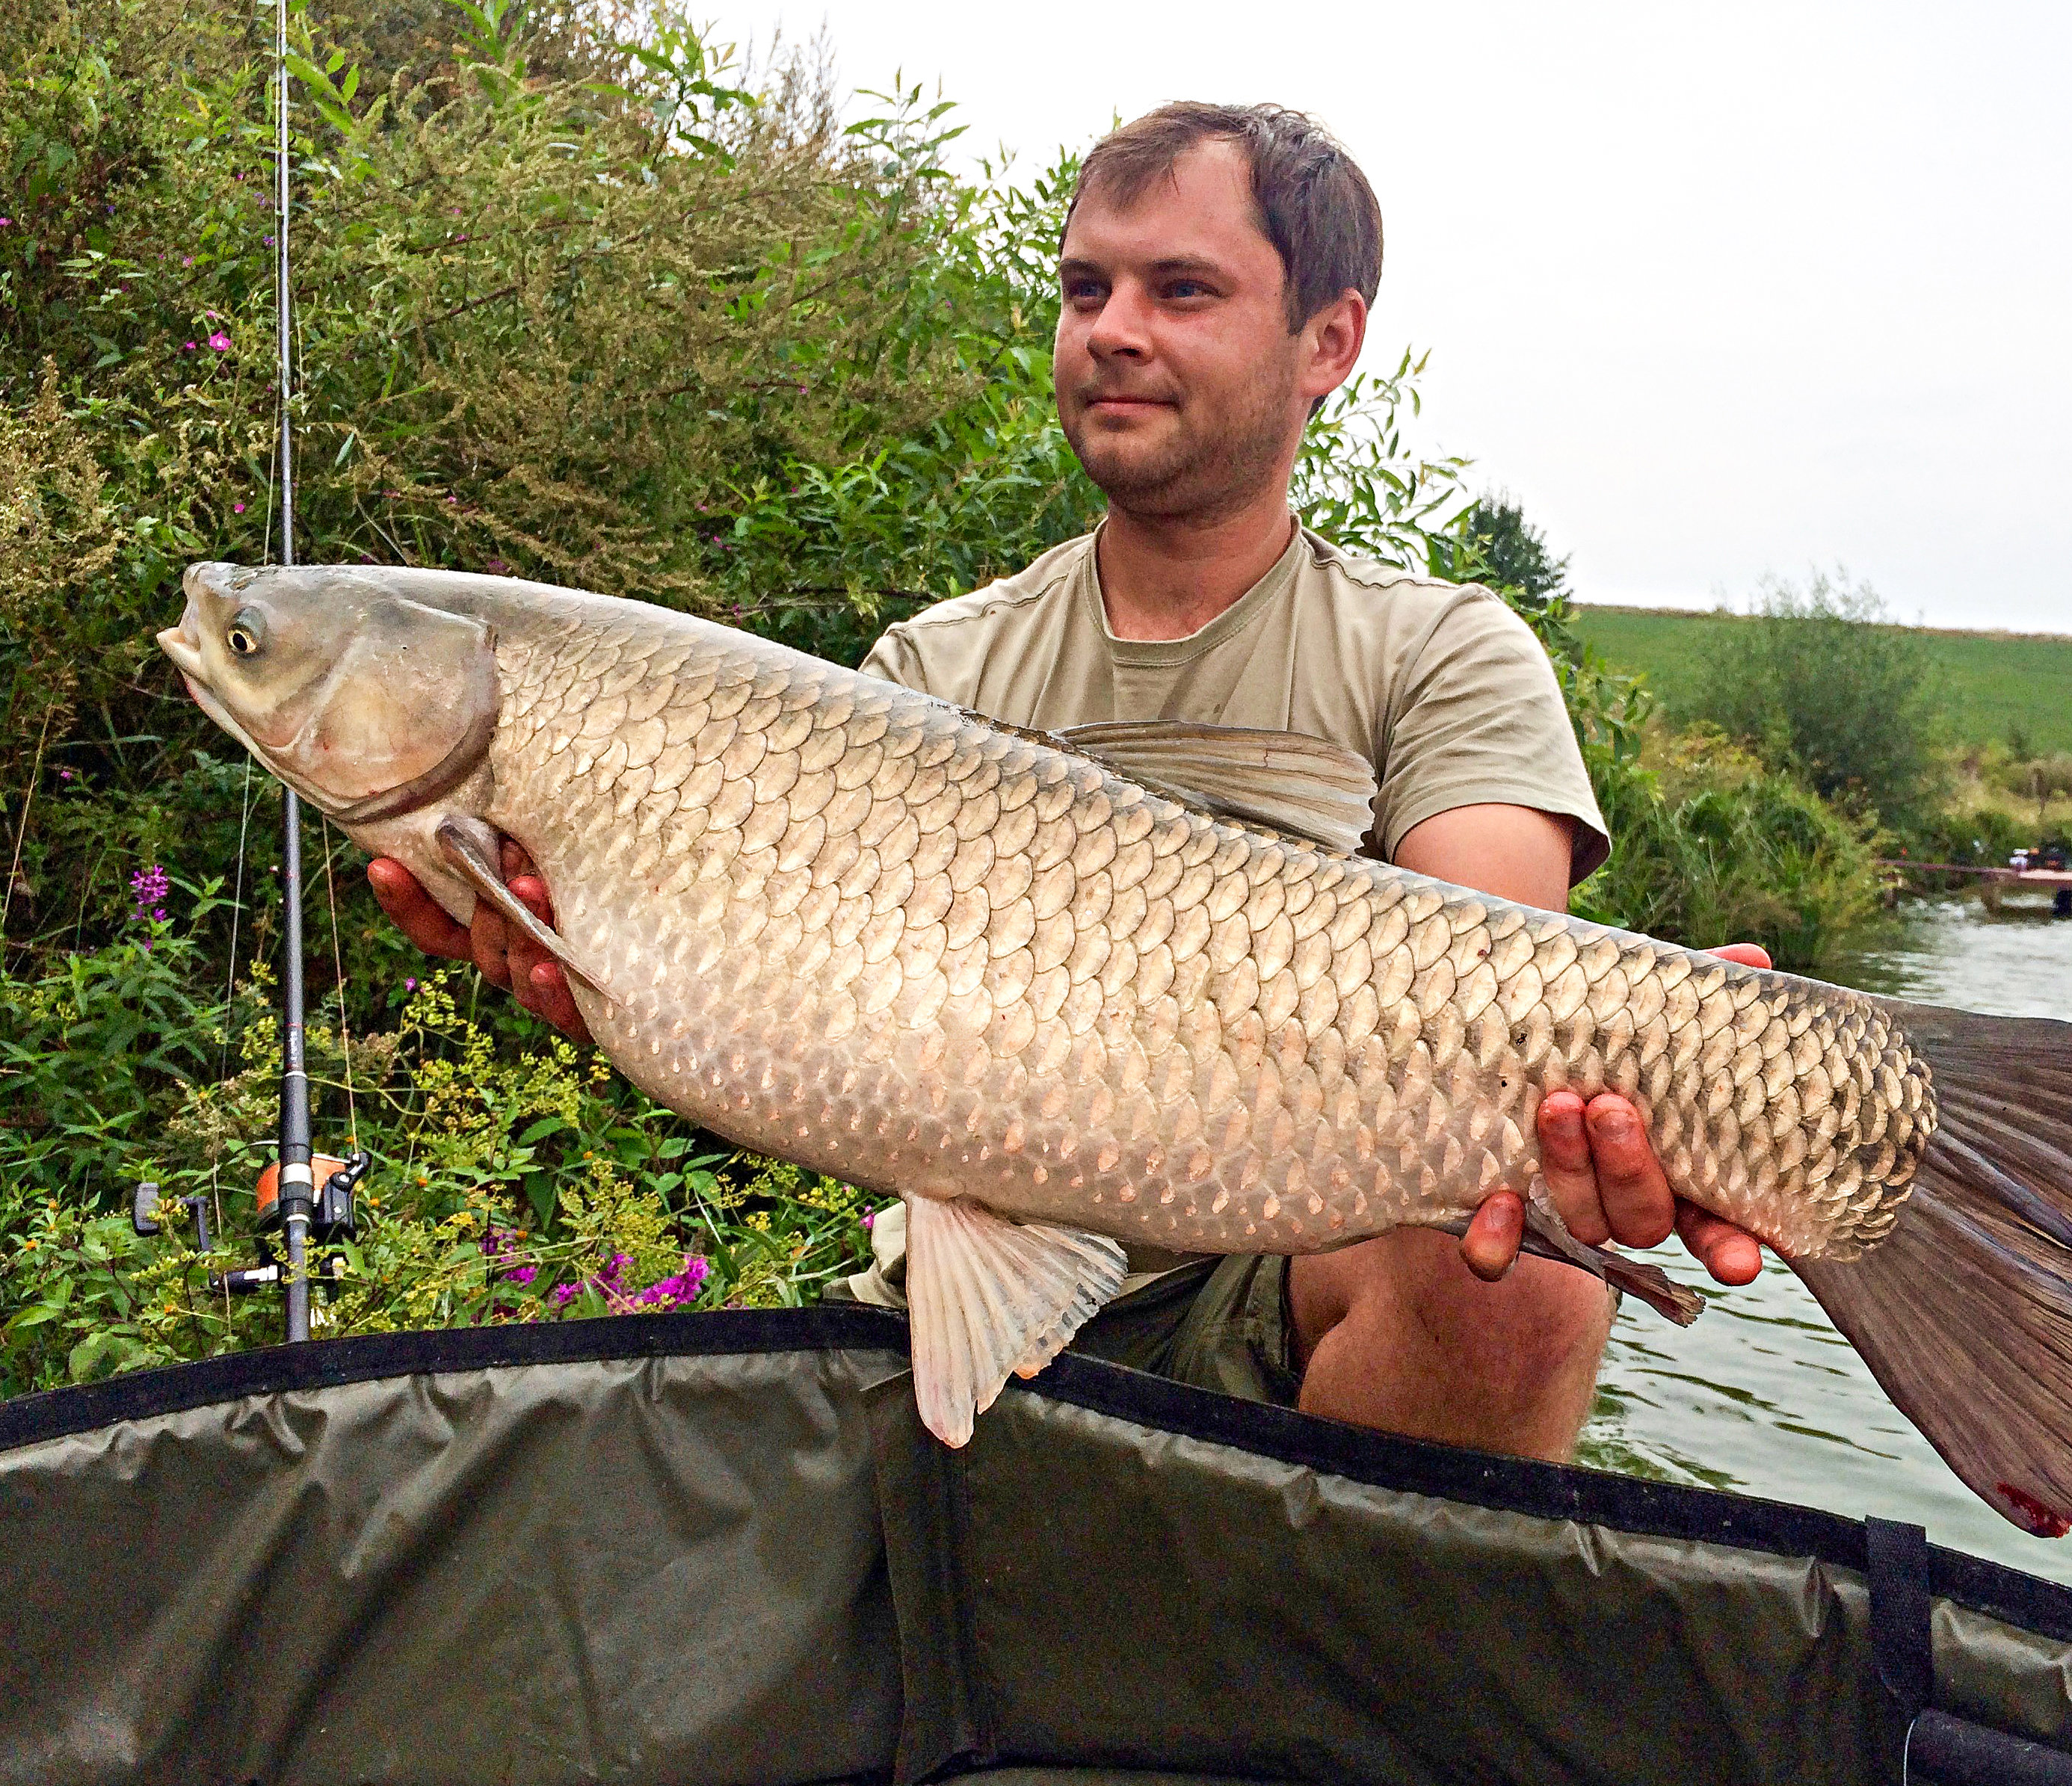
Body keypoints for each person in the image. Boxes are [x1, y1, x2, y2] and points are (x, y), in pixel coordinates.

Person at [366, 102, 1770, 1465]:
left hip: (1284, 1273)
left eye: (1180, 288)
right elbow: (816, 1040)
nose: (1113, 330)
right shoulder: (926, 671)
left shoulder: (1438, 649)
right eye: (1084, 286)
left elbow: (1482, 994)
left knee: (1521, 1276)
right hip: (966, 1255)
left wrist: (1670, 1078)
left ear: (1327, 341)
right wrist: (596, 962)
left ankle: (1341, 1666)